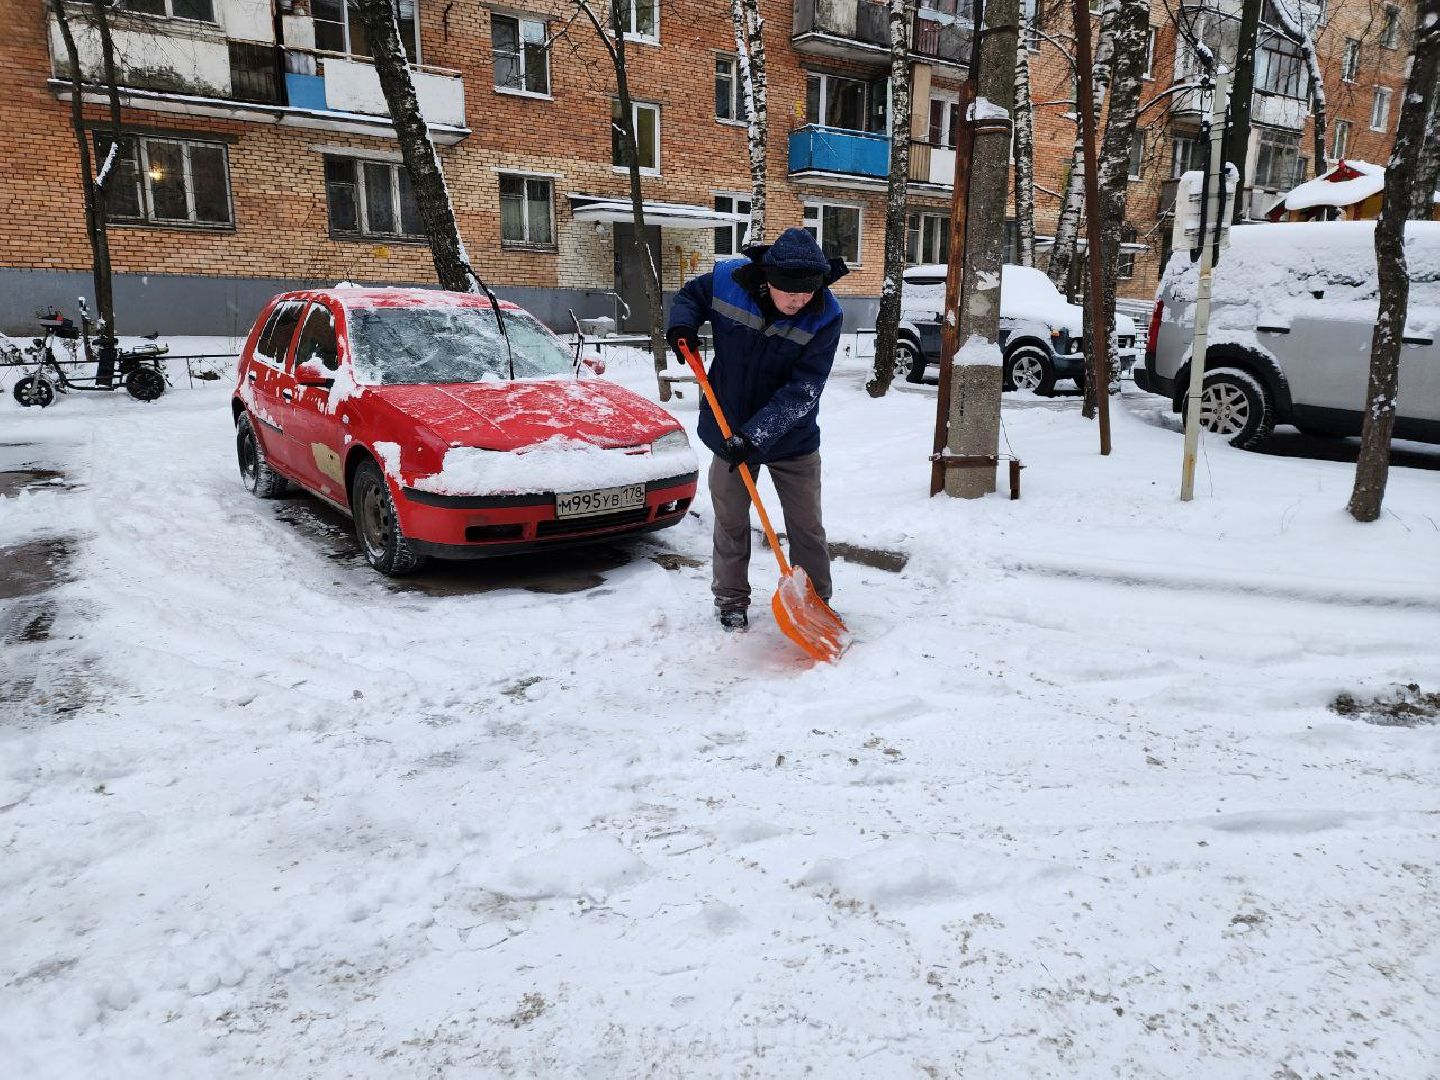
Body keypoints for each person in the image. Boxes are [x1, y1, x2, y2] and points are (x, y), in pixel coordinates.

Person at [667, 226, 848, 632]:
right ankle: (730, 600)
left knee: (806, 526)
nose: (800, 301)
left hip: (791, 438)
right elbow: (690, 297)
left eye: (807, 293)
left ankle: (816, 602)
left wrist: (756, 436)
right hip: (727, 427)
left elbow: (804, 389)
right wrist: (682, 326)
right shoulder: (727, 282)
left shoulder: (826, 314)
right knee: (731, 520)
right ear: (770, 280)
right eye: (791, 293)